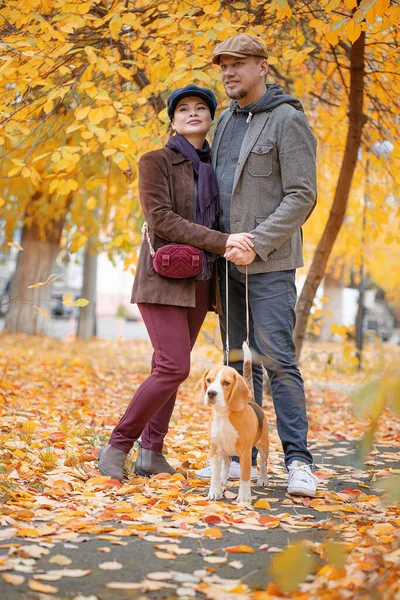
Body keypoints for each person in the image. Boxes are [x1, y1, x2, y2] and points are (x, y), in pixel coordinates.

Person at [98, 84, 254, 482]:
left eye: (201, 107)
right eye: (183, 108)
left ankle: (151, 454)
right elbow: (161, 219)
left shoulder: (215, 168)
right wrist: (221, 242)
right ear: (173, 119)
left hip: (200, 282)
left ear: (210, 117)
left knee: (166, 366)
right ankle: (117, 445)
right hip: (163, 279)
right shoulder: (155, 161)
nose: (192, 113)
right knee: (173, 366)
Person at [195, 34, 318, 497]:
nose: (229, 72)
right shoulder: (224, 121)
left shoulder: (287, 120)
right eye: (223, 65)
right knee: (238, 367)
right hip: (227, 265)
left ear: (263, 66)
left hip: (271, 263)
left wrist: (258, 242)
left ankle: (298, 462)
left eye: (239, 64)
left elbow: (302, 194)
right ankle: (239, 455)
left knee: (278, 361)